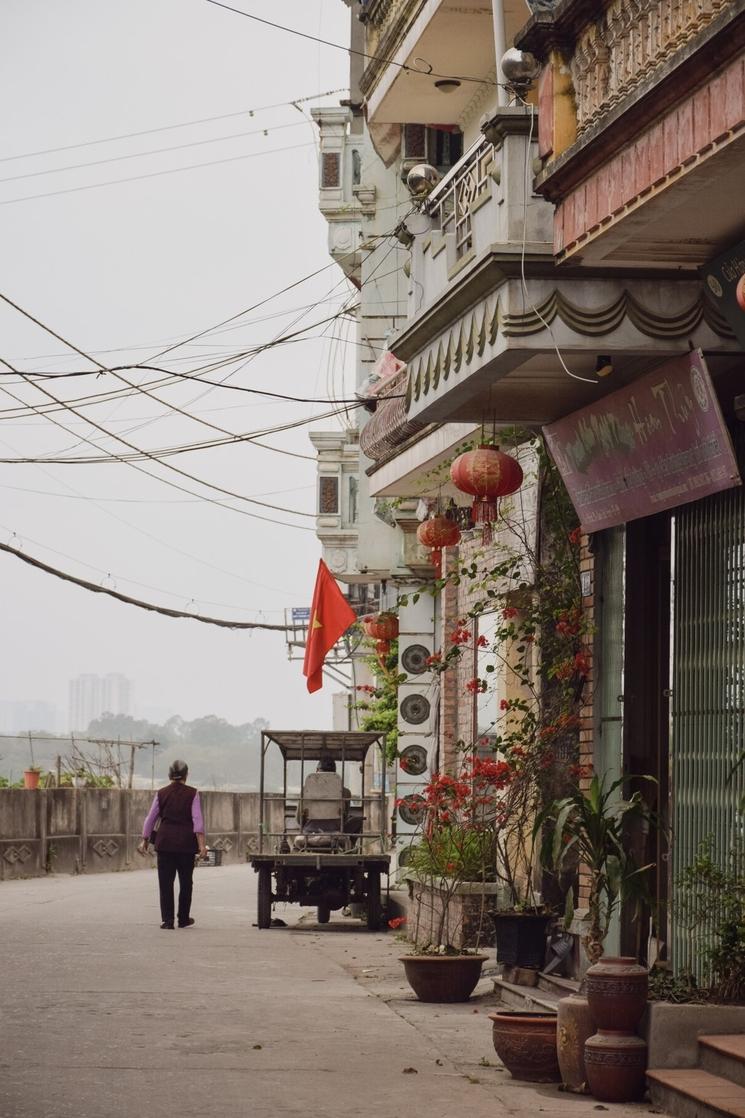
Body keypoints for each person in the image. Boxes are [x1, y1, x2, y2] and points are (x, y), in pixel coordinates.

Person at [138, 760, 207, 930]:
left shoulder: (161, 793)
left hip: (165, 843)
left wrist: (145, 839)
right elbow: (197, 821)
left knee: (165, 883)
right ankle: (183, 919)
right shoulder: (193, 793)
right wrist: (202, 846)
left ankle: (167, 921)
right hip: (186, 845)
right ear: (186, 775)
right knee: (186, 883)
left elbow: (151, 818)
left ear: (169, 776)